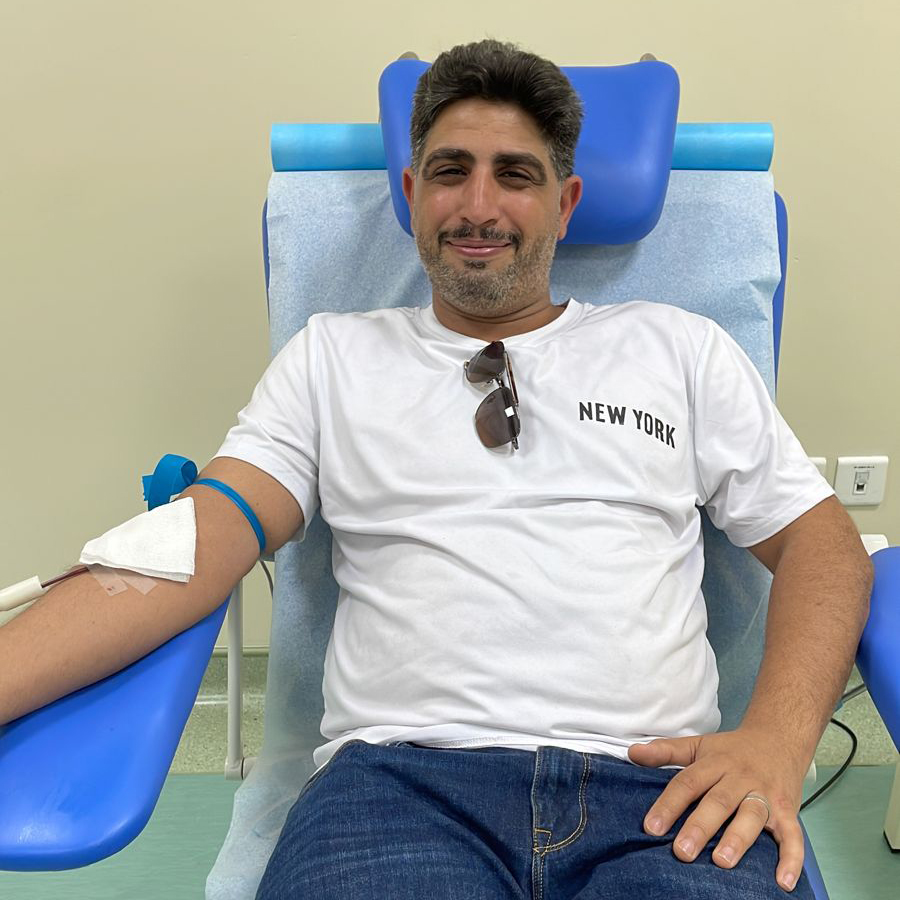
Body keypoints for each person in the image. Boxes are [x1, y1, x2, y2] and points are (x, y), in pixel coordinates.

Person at [0, 39, 871, 899]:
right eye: (452, 172)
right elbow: (196, 542)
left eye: (515, 175)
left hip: (660, 791)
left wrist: (775, 742)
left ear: (566, 204)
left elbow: (823, 546)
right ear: (413, 194)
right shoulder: (332, 360)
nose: (478, 206)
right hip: (398, 795)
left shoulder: (679, 350)